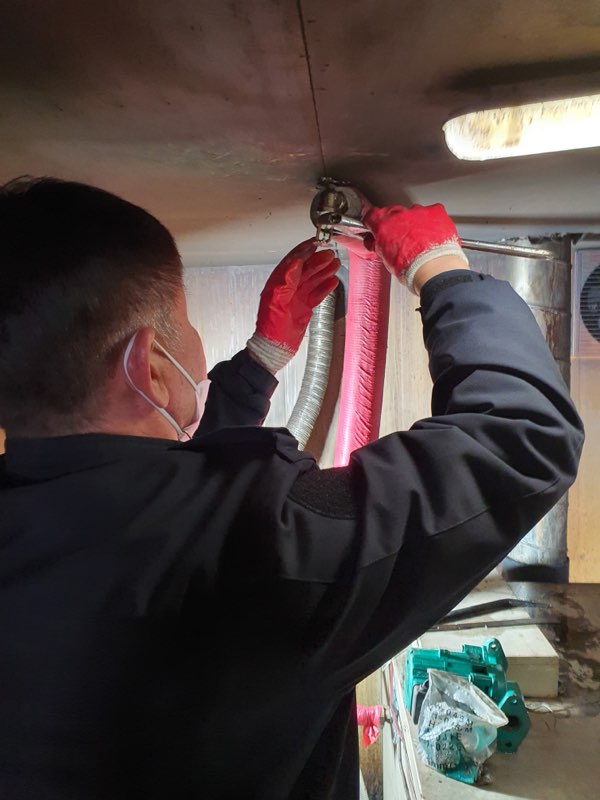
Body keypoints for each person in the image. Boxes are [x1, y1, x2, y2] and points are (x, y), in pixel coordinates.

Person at [0, 178, 583, 800]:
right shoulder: (265, 550)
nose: (194, 342)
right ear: (150, 367)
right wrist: (443, 273)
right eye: (185, 322)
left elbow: (146, 508)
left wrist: (259, 362)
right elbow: (521, 437)